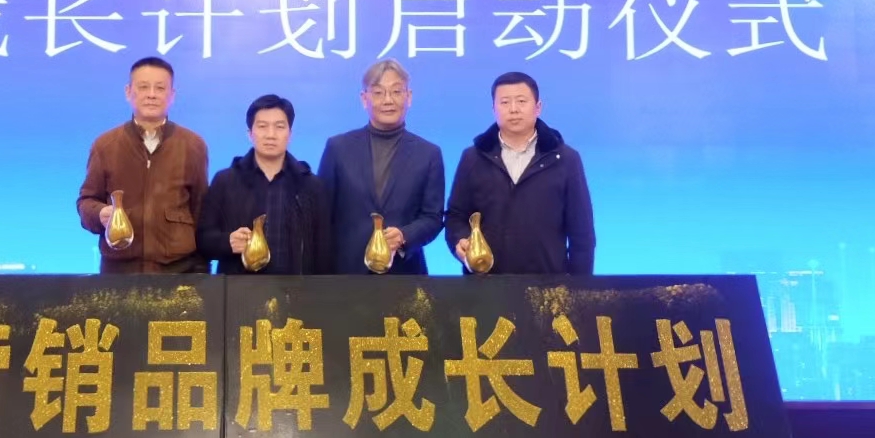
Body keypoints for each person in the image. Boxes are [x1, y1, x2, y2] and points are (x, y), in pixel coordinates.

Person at [445, 71, 595, 275]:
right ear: (494, 109)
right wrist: (460, 241)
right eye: (505, 102)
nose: (513, 109)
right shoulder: (473, 158)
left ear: (538, 107)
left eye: (521, 101)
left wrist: (579, 287)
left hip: (548, 283)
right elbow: (456, 216)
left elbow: (582, 233)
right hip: (485, 283)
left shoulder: (566, 159)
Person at [76, 56, 209, 273]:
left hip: (179, 271)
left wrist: (201, 270)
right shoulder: (105, 145)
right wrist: (99, 213)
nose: (151, 94)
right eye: (144, 87)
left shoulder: (193, 145)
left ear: (172, 95)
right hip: (119, 272)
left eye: (160, 88)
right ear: (128, 92)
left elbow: (201, 210)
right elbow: (86, 201)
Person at [317, 59, 445, 274]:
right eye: (378, 92)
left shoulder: (429, 154)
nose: (388, 100)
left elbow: (433, 218)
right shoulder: (338, 148)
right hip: (346, 274)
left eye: (396, 91)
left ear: (409, 97)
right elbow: (321, 215)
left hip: (404, 274)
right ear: (364, 99)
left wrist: (405, 236)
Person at [198, 94, 332, 275]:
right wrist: (227, 242)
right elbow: (203, 240)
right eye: (262, 126)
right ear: (250, 134)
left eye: (279, 127)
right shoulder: (226, 181)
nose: (271, 135)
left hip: (295, 289)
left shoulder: (311, 186)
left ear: (290, 134)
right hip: (240, 288)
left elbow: (323, 251)